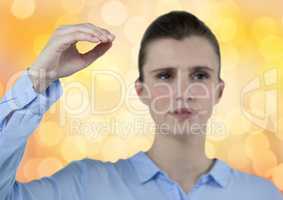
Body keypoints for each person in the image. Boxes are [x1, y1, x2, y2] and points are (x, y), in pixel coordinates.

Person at [0, 10, 282, 200]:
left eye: (199, 75)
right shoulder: (87, 185)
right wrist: (38, 78)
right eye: (165, 75)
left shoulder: (263, 195)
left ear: (218, 90)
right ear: (141, 90)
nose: (182, 91)